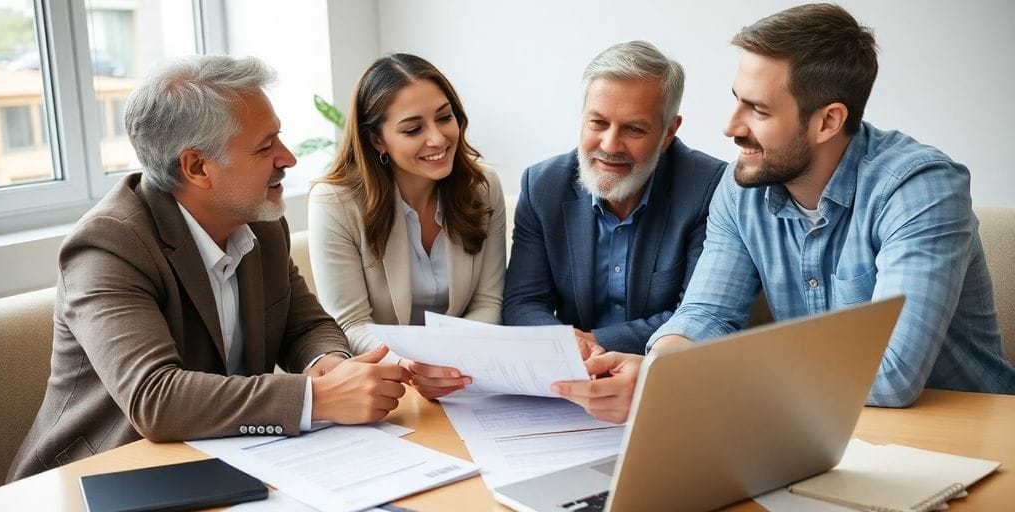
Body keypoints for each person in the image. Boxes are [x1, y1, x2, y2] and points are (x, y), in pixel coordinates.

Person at [553, 4, 1015, 423]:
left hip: (969, 436)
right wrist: (658, 370)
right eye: (737, 99)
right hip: (820, 429)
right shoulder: (742, 189)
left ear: (828, 121)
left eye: (756, 110)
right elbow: (705, 316)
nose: (731, 127)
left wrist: (687, 378)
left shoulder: (920, 189)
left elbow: (890, 372)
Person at [8, 55, 410, 481]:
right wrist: (316, 397)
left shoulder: (260, 222)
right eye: (265, 146)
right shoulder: (108, 246)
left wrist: (329, 363)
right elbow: (156, 397)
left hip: (226, 461)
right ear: (197, 167)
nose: (288, 158)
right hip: (100, 479)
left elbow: (305, 325)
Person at [503, 41, 725, 356]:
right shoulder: (542, 185)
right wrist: (571, 348)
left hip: (663, 373)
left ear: (669, 132)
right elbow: (523, 303)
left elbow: (699, 315)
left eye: (633, 129)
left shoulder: (710, 188)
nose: (610, 145)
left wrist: (595, 344)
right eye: (598, 123)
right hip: (572, 374)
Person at [309, 53, 506, 400]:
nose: (438, 138)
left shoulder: (483, 187)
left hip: (465, 381)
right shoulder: (334, 203)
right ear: (377, 140)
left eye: (444, 118)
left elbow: (488, 300)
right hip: (385, 386)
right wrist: (415, 367)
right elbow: (351, 324)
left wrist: (455, 363)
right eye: (413, 129)